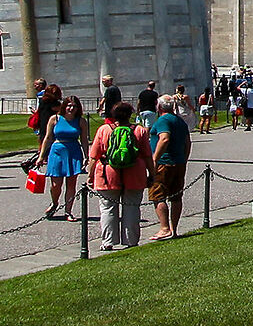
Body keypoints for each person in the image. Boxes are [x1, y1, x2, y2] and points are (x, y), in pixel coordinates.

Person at [89, 100, 151, 251]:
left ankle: (108, 241)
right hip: (134, 172)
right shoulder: (139, 131)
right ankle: (131, 240)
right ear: (130, 114)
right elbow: (147, 156)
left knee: (108, 208)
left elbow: (94, 156)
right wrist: (152, 174)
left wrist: (90, 176)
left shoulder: (104, 130)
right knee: (132, 207)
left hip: (108, 173)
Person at [146, 94, 190, 240]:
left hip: (164, 163)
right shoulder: (180, 121)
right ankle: (174, 229)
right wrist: (184, 158)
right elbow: (188, 143)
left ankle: (164, 228)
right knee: (176, 197)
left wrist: (154, 159)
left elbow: (164, 138)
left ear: (158, 107)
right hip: (179, 162)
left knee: (158, 196)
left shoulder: (163, 120)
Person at [41, 96, 87, 218]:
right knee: (56, 185)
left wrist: (87, 156)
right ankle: (55, 203)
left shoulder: (81, 121)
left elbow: (84, 140)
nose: (71, 108)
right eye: (69, 105)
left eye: (74, 106)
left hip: (74, 151)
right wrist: (41, 156)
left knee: (71, 185)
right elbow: (48, 138)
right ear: (64, 106)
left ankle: (68, 211)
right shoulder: (54, 119)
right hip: (57, 151)